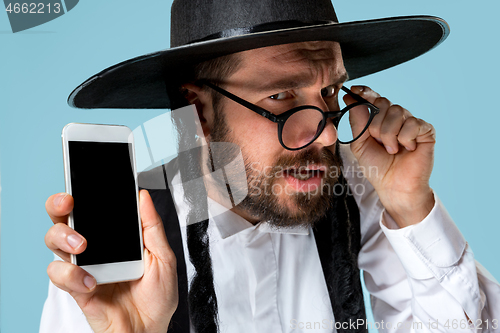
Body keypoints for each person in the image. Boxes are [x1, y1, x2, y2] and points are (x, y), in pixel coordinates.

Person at [40, 0, 500, 332]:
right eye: (280, 97)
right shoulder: (121, 239)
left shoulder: (357, 192)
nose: (323, 134)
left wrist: (411, 207)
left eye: (328, 94)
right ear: (197, 110)